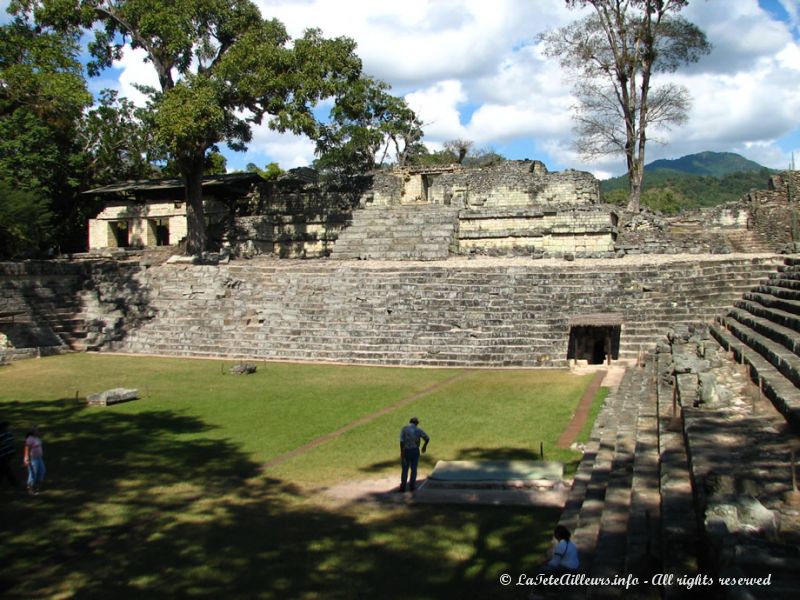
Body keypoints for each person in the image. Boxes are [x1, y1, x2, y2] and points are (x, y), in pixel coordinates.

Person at [399, 416, 429, 492]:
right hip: (415, 451)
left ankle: (403, 486)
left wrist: (402, 452)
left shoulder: (404, 429)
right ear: (416, 423)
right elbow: (427, 438)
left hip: (406, 451)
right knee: (414, 469)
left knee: (405, 469)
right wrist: (424, 447)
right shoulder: (418, 430)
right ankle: (412, 485)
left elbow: (401, 441)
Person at [23, 425, 45, 495]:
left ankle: (37, 486)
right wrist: (26, 458)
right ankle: (30, 489)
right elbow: (26, 448)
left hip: (39, 458)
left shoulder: (37, 438)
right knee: (33, 474)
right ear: (33, 432)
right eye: (37, 430)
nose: (38, 431)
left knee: (42, 471)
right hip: (33, 459)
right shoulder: (30, 439)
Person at [0, 421, 19, 489]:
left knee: (4, 469)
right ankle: (14, 483)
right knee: (5, 469)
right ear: (4, 428)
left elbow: (12, 441)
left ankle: (14, 482)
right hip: (4, 454)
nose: (10, 427)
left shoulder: (8, 434)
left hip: (7, 454)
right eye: (8, 426)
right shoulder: (4, 435)